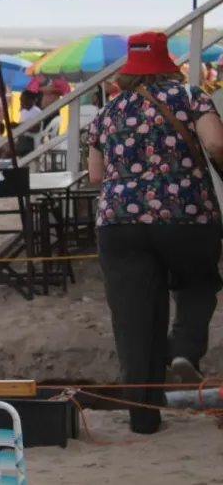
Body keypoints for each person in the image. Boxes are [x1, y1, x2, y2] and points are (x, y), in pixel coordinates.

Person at [87, 31, 223, 435]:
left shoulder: (107, 111)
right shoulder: (190, 97)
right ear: (168, 64)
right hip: (187, 216)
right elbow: (215, 143)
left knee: (133, 318)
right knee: (199, 282)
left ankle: (142, 417)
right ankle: (183, 349)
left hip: (119, 223)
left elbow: (96, 174)